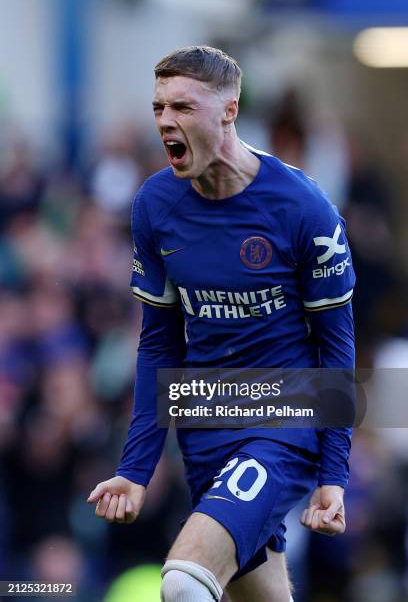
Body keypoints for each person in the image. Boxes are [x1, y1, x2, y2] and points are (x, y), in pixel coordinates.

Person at [87, 46, 355, 602]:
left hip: (284, 417)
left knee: (184, 582)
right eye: (158, 107)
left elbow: (337, 345)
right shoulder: (155, 205)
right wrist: (137, 469)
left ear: (229, 111)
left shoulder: (303, 208)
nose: (165, 121)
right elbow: (157, 342)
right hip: (205, 420)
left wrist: (334, 474)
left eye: (183, 106)